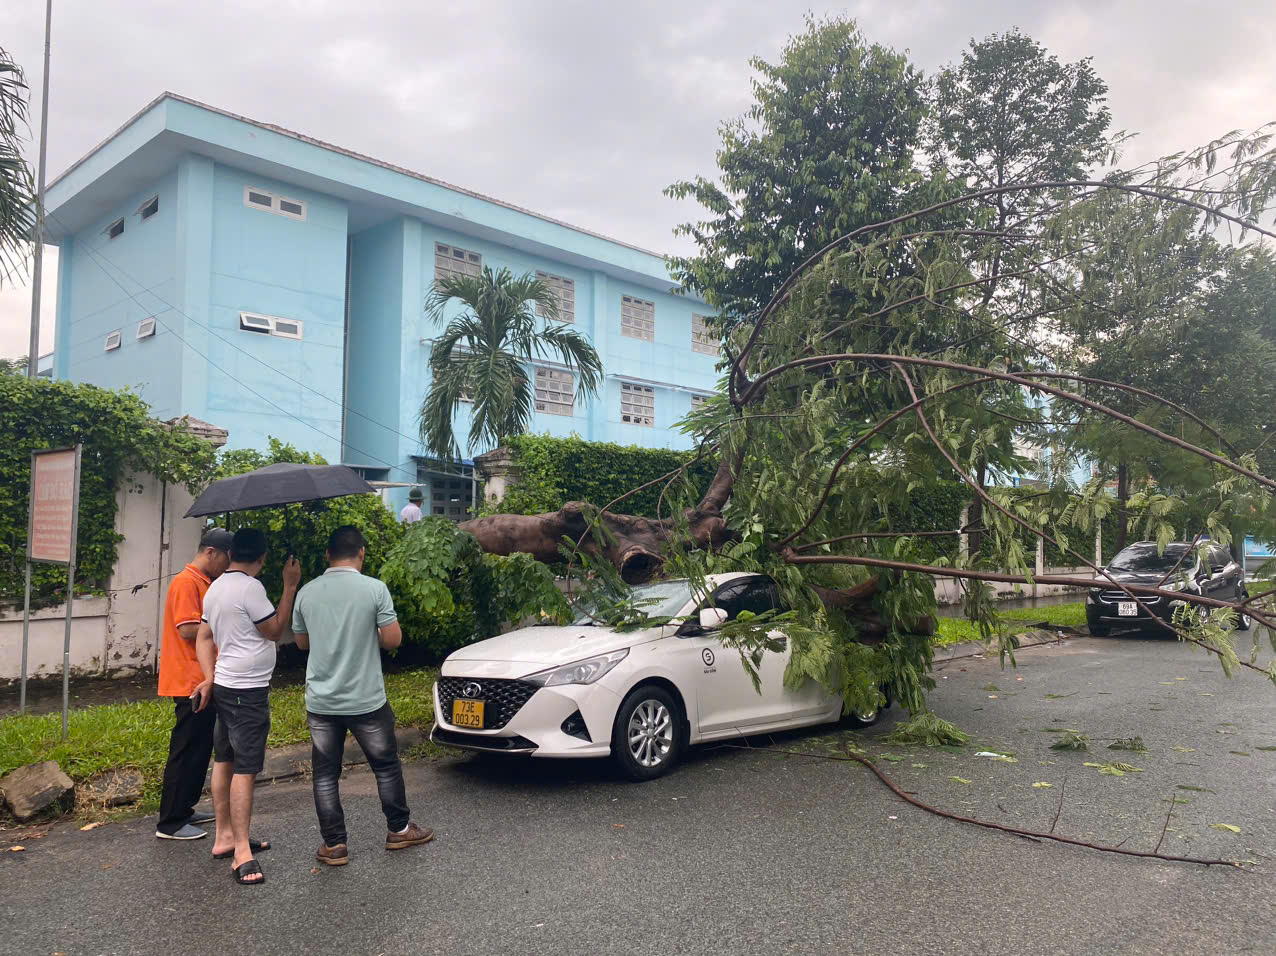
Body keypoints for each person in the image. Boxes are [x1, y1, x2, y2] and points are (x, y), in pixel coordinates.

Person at [292, 525, 433, 866]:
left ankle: (334, 845)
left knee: (325, 773)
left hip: (323, 701)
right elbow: (392, 639)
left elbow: (302, 643)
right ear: (362, 554)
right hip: (366, 699)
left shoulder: (306, 592)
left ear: (328, 554)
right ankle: (398, 831)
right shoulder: (374, 589)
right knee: (385, 767)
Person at [192, 528, 300, 886]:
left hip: (224, 685)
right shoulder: (251, 589)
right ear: (261, 557)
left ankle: (225, 836)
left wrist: (208, 677)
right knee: (246, 769)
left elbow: (204, 637)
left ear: (231, 552)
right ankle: (241, 852)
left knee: (225, 759)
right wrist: (289, 586)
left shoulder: (216, 586)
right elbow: (274, 630)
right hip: (247, 692)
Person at [154, 528, 233, 841]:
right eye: (225, 560)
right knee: (185, 750)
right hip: (190, 679)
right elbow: (188, 629)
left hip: (202, 677)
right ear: (211, 552)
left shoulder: (204, 582)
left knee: (200, 749)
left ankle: (185, 808)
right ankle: (170, 822)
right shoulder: (187, 581)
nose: (226, 568)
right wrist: (221, 619)